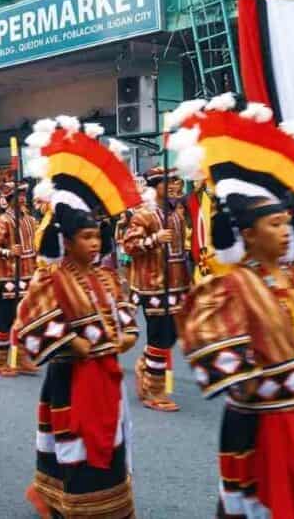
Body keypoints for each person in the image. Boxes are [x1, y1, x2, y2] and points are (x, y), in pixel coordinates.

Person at [168, 98, 294, 517]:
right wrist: (253, 380)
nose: (284, 230)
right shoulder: (230, 288)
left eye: (283, 222)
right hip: (263, 425)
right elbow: (210, 348)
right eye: (272, 224)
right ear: (249, 237)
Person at [13, 116, 142, 519]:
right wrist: (71, 342)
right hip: (70, 378)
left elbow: (124, 309)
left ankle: (92, 502)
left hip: (106, 374)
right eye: (87, 237)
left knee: (108, 441)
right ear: (66, 240)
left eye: (98, 237)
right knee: (74, 445)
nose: (95, 243)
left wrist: (128, 333)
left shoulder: (106, 275)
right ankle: (73, 504)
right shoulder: (52, 276)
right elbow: (28, 322)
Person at [123, 168, 189, 412]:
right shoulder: (144, 215)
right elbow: (129, 245)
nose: (174, 185)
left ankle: (146, 365)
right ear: (155, 185)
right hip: (152, 286)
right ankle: (154, 391)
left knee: (171, 335)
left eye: (176, 180)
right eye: (169, 181)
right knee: (159, 337)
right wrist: (154, 240)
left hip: (176, 285)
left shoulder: (176, 214)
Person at [0, 184, 40, 376]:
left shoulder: (30, 220)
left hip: (27, 279)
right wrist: (8, 252)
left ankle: (21, 358)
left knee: (25, 321)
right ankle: (0, 361)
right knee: (4, 322)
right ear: (10, 199)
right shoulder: (2, 221)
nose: (23, 199)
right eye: (19, 196)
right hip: (7, 280)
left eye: (24, 195)